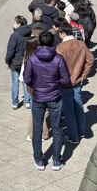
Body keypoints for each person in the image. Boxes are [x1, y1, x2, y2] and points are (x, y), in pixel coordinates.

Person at [23, 32, 71, 171]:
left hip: (38, 97)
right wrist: (57, 84)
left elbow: (27, 79)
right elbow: (66, 80)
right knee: (56, 128)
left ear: (40, 43)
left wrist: (37, 83)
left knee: (37, 129)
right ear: (52, 43)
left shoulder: (32, 59)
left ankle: (39, 160)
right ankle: (56, 160)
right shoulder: (58, 59)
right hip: (55, 97)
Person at [56, 24, 95, 144]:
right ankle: (82, 131)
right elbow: (91, 59)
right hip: (78, 82)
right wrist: (84, 75)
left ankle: (73, 136)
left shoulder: (60, 48)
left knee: (68, 111)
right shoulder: (81, 44)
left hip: (65, 83)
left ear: (63, 34)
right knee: (79, 107)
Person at [22, 35, 52, 143]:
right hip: (38, 87)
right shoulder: (34, 58)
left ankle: (34, 134)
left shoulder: (28, 57)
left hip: (32, 87)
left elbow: (24, 77)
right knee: (41, 111)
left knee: (37, 111)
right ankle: (39, 133)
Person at [6, 15, 32, 110]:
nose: (14, 24)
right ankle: (27, 101)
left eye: (15, 23)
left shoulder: (14, 36)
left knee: (15, 82)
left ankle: (15, 102)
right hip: (26, 61)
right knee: (25, 82)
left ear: (19, 24)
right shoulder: (29, 33)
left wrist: (7, 61)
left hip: (16, 62)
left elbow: (10, 50)